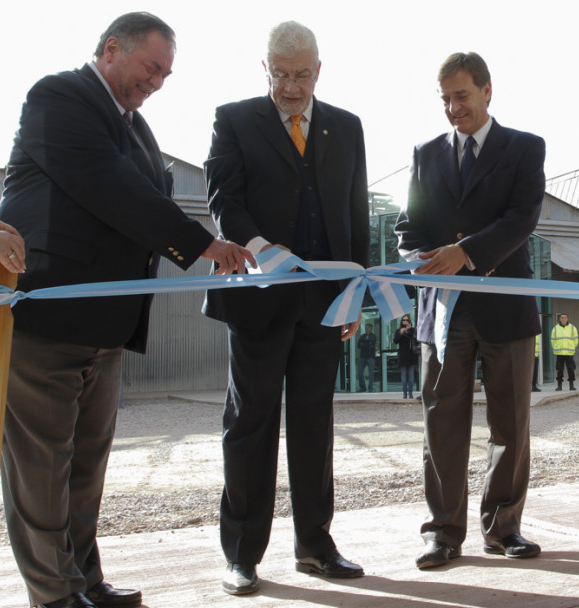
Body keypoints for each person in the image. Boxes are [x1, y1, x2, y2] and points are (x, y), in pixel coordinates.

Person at [0, 13, 253, 608]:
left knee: (87, 465)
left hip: (105, 323)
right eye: (152, 67)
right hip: (43, 314)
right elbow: (107, 186)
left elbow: (147, 197)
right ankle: (53, 596)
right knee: (42, 468)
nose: (158, 82)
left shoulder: (142, 132)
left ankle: (85, 582)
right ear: (110, 48)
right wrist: (202, 243)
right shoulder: (58, 97)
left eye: (167, 74)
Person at [201, 20, 369, 595]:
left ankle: (316, 547)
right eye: (280, 75)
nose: (290, 87)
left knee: (314, 425)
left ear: (318, 71)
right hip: (258, 299)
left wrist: (357, 293)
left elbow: (354, 214)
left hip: (324, 303)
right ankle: (242, 555)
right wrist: (260, 250)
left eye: (301, 75)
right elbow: (224, 199)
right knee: (249, 424)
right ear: (264, 69)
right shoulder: (234, 120)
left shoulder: (347, 127)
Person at [395, 51, 545, 569]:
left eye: (461, 96)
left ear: (486, 90)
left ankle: (505, 528)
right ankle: (443, 532)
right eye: (445, 100)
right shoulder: (425, 153)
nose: (453, 108)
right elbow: (407, 227)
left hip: (505, 310)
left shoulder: (525, 148)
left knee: (511, 424)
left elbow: (522, 218)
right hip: (444, 315)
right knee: (442, 424)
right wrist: (415, 258)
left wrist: (466, 253)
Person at [550, 313, 578, 391]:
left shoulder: (572, 328)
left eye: (565, 317)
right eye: (562, 318)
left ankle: (571, 385)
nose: (563, 319)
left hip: (569, 353)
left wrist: (572, 347)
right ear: (560, 319)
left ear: (567, 319)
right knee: (559, 370)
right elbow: (552, 340)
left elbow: (576, 339)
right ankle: (559, 386)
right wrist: (555, 347)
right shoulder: (555, 328)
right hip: (559, 353)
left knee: (571, 369)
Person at [393, 314, 418, 398]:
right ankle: (404, 393)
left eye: (406, 320)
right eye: (403, 320)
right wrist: (401, 333)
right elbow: (395, 341)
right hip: (403, 355)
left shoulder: (413, 330)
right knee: (403, 375)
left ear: (409, 321)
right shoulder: (399, 330)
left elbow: (415, 339)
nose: (405, 321)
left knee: (411, 375)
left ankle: (410, 393)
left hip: (411, 355)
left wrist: (408, 330)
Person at [357, 322, 377, 392]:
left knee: (371, 373)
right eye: (366, 328)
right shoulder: (362, 336)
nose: (367, 329)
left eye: (368, 328)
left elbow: (371, 345)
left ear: (371, 329)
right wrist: (366, 344)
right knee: (359, 372)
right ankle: (362, 387)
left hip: (370, 356)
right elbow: (359, 345)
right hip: (362, 356)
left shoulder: (373, 336)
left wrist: (364, 344)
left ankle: (370, 387)